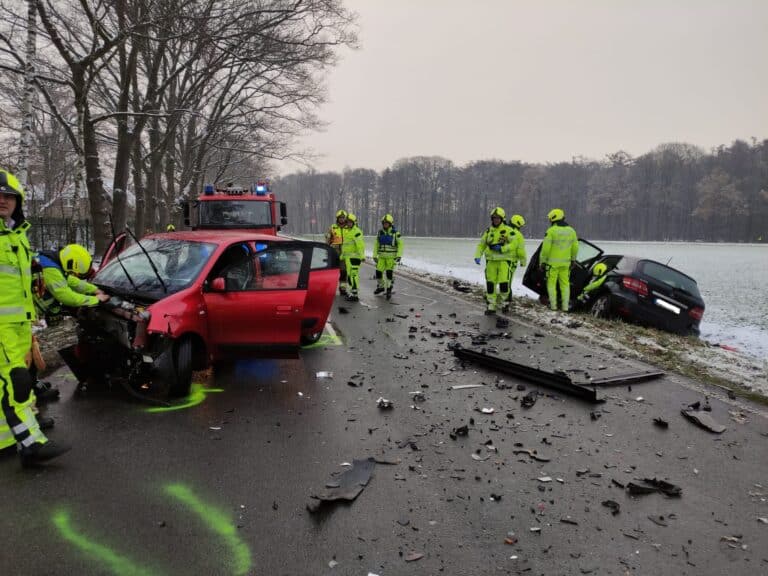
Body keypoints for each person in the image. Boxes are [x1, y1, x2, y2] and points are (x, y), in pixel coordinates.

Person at [0, 168, 70, 465]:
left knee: (18, 382)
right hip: (2, 327)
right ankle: (31, 446)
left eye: (9, 196)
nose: (3, 200)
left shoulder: (16, 235)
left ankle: (11, 437)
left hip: (19, 324)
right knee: (15, 381)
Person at [473, 207, 514, 315]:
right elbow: (481, 245)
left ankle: (505, 304)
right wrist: (478, 255)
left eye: (498, 218)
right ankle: (491, 306)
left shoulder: (508, 231)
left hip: (504, 262)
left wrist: (502, 248)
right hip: (491, 262)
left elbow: (514, 245)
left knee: (504, 284)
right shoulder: (489, 231)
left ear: (502, 219)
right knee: (490, 284)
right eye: (494, 218)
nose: (496, 220)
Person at [540, 208, 578, 312]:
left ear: (553, 218)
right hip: (566, 264)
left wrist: (542, 261)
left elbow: (545, 249)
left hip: (552, 264)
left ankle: (553, 306)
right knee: (565, 285)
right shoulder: (572, 231)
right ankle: (565, 307)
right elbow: (575, 247)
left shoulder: (551, 231)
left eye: (550, 219)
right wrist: (573, 260)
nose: (549, 221)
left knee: (551, 285)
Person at [373, 214, 403, 300]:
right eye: (384, 223)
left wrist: (399, 255)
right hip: (381, 257)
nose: (385, 224)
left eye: (387, 223)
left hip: (391, 257)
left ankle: (389, 289)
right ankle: (381, 286)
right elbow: (376, 244)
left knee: (389, 274)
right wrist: (374, 255)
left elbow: (401, 245)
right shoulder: (380, 233)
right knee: (378, 272)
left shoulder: (395, 233)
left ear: (390, 224)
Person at [501, 214, 527, 313]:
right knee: (508, 282)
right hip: (511, 263)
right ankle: (506, 303)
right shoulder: (518, 235)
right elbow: (521, 251)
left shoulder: (503, 230)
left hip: (499, 260)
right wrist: (523, 262)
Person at [340, 212, 365, 301]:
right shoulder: (348, 232)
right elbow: (346, 246)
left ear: (354, 222)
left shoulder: (356, 232)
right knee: (350, 275)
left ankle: (355, 295)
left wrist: (362, 255)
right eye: (347, 222)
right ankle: (352, 293)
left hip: (355, 258)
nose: (349, 223)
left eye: (350, 222)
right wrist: (342, 255)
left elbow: (360, 245)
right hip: (348, 258)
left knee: (353, 276)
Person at [326, 210, 348, 295]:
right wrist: (327, 249)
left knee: (343, 270)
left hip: (345, 251)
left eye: (343, 218)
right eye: (340, 218)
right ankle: (331, 288)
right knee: (333, 270)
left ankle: (343, 288)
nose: (342, 219)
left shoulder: (349, 227)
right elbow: (328, 239)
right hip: (334, 251)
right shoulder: (333, 227)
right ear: (337, 218)